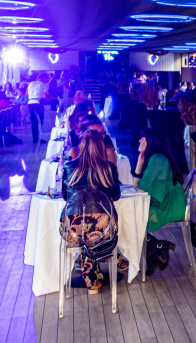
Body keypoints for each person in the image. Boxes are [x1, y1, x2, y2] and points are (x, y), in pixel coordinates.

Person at [61, 130, 122, 294]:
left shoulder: (68, 167)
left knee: (84, 234)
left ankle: (89, 265)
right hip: (102, 230)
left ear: (81, 146)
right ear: (101, 146)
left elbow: (65, 197)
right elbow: (116, 195)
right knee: (95, 231)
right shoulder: (108, 167)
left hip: (71, 230)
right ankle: (106, 257)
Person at [132, 128, 186, 274]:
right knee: (131, 216)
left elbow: (141, 189)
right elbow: (137, 185)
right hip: (169, 203)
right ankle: (157, 250)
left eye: (142, 138)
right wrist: (140, 158)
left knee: (130, 217)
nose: (139, 140)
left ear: (150, 142)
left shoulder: (158, 159)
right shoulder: (156, 157)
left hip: (169, 207)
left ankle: (157, 250)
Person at [27, 73, 50, 143]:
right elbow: (44, 97)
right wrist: (50, 99)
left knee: (34, 121)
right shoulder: (42, 84)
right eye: (46, 78)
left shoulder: (30, 84)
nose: (47, 80)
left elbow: (26, 94)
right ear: (43, 78)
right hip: (38, 103)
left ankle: (35, 139)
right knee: (40, 121)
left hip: (30, 103)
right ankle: (38, 138)